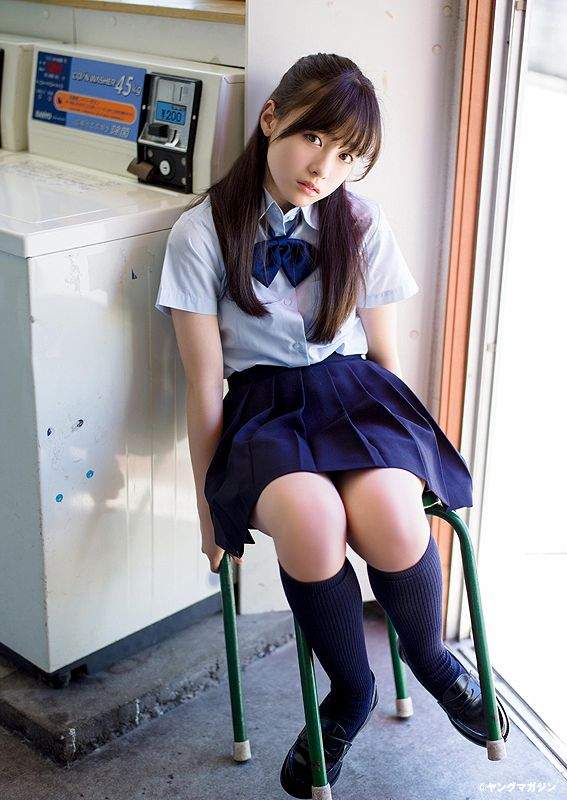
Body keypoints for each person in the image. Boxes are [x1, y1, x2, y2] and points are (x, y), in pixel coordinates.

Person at [155, 52, 509, 798]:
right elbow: (204, 384)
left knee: (391, 514)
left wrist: (402, 437)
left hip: (354, 394)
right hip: (262, 410)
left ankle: (430, 658)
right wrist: (209, 509)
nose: (324, 167)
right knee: (314, 522)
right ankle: (351, 692)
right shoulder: (201, 232)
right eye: (313, 138)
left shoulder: (361, 220)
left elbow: (383, 355)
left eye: (347, 155)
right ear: (271, 118)